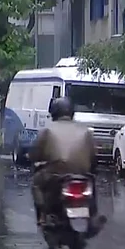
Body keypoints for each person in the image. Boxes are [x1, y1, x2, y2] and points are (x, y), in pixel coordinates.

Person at [29, 97, 96, 226]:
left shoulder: (47, 130)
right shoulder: (85, 131)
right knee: (92, 181)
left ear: (54, 113)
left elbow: (35, 153)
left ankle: (42, 215)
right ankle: (93, 215)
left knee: (36, 183)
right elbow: (93, 155)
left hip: (55, 174)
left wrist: (32, 158)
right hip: (82, 174)